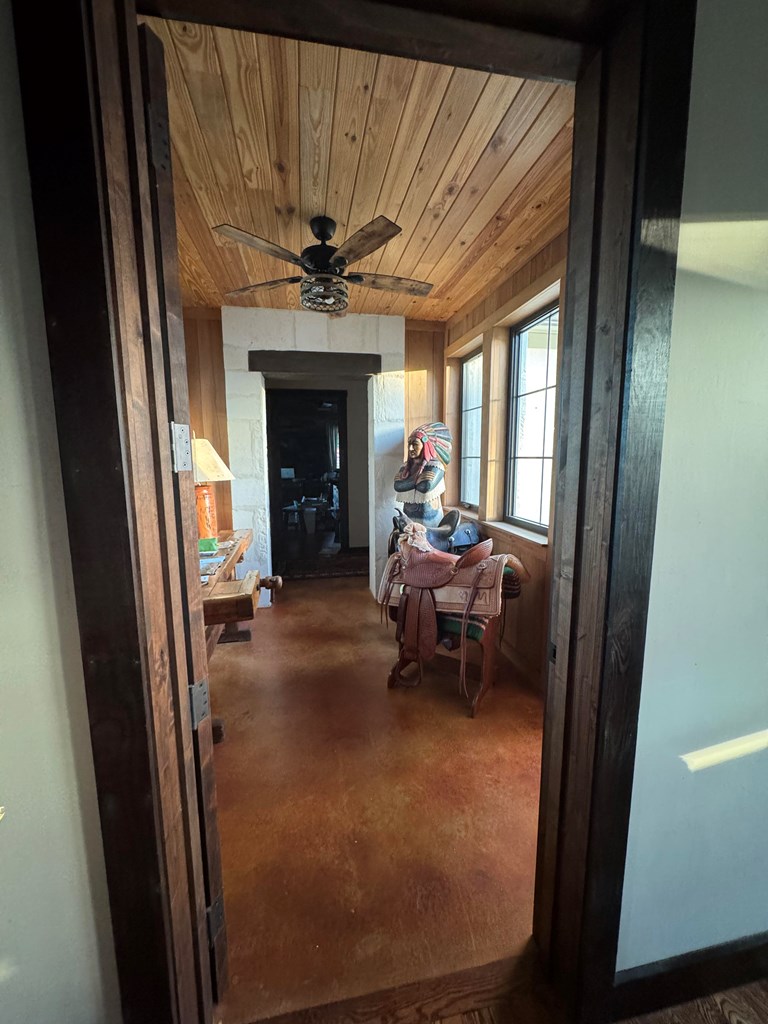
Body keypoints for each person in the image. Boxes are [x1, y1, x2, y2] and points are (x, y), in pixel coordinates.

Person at [393, 422, 452, 527]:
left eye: (415, 444)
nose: (410, 448)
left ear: (425, 445)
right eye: (409, 444)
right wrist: (417, 479)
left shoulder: (436, 466)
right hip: (408, 516)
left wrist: (407, 481)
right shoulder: (406, 467)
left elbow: (425, 486)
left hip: (430, 519)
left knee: (426, 541)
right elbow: (398, 486)